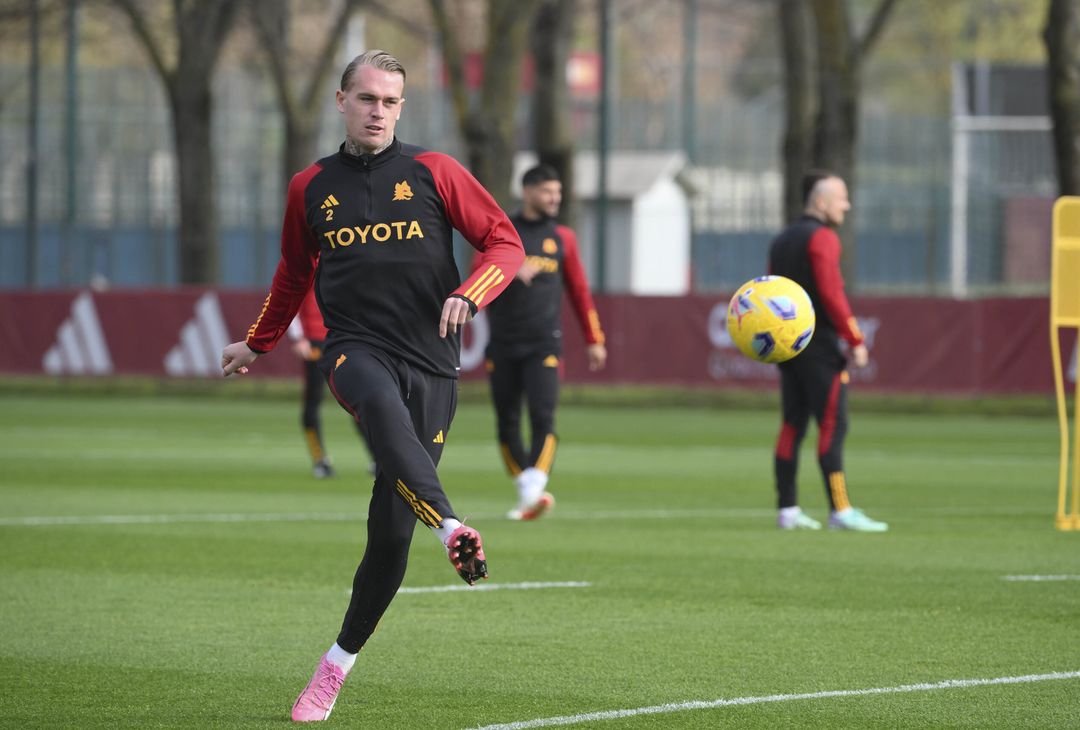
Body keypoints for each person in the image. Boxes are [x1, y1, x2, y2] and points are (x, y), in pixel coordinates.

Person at [220, 50, 525, 723]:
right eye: (366, 99)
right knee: (378, 404)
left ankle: (336, 664)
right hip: (353, 348)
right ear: (342, 101)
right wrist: (259, 341)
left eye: (390, 102)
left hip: (434, 363)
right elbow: (293, 273)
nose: (378, 112)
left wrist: (470, 294)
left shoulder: (435, 171)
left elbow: (505, 244)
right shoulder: (309, 186)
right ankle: (452, 525)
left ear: (401, 107)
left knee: (389, 535)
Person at [481, 164, 606, 520]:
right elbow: (478, 272)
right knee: (506, 421)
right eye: (548, 192)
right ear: (527, 192)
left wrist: (594, 338)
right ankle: (528, 491)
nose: (555, 198)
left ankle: (533, 489)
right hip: (503, 343)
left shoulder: (563, 237)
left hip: (544, 344)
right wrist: (508, 268)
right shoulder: (502, 231)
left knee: (543, 414)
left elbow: (579, 291)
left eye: (558, 192)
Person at [767, 170, 888, 533]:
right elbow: (831, 292)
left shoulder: (781, 239)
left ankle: (788, 509)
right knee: (833, 424)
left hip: (788, 347)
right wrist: (855, 338)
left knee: (792, 424)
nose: (846, 206)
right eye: (841, 198)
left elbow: (769, 292)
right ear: (821, 202)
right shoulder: (822, 238)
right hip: (819, 346)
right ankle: (840, 509)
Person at [287, 287, 367, 478]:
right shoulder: (309, 272)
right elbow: (290, 301)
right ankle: (319, 459)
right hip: (315, 342)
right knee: (313, 399)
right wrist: (298, 338)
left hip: (343, 339)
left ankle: (377, 457)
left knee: (360, 398)